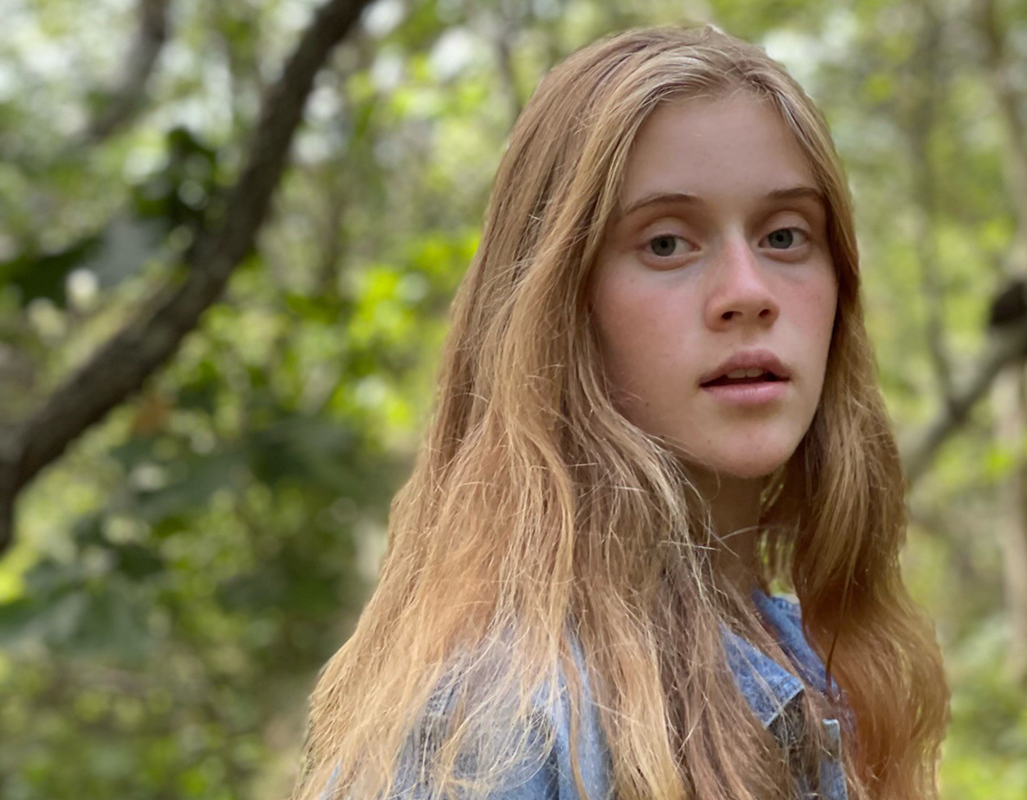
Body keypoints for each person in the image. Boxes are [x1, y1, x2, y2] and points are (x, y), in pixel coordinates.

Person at [290, 24, 950, 800]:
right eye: (667, 244)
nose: (747, 292)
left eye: (783, 235)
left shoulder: (813, 657)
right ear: (561, 306)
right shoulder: (508, 728)